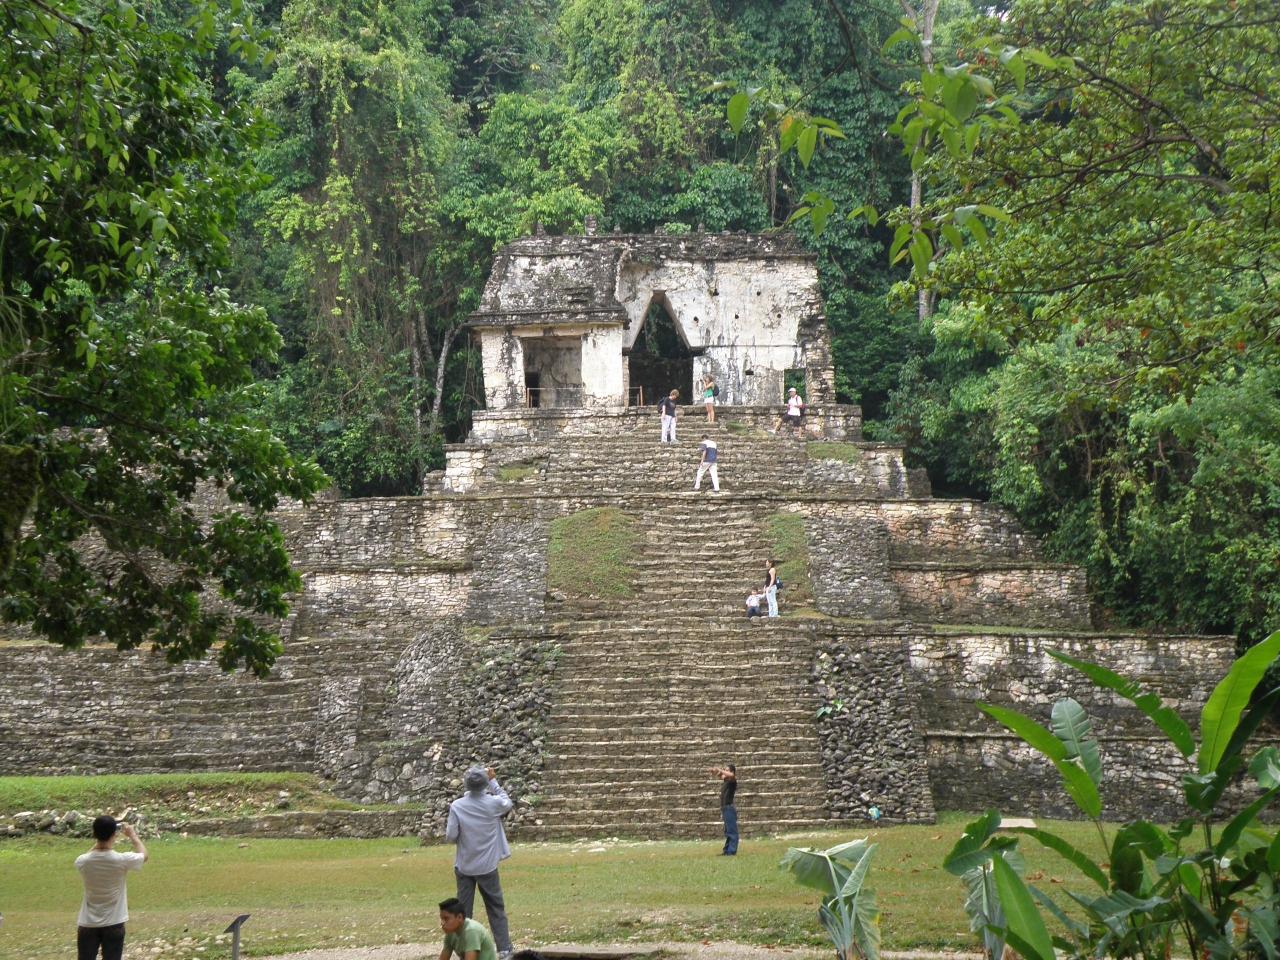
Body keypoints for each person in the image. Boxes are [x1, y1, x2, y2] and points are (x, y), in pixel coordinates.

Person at [446, 766, 514, 959]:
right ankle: (504, 949)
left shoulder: (457, 806)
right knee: (495, 907)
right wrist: (494, 781)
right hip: (487, 866)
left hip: (465, 865)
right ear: (484, 783)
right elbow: (507, 802)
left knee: (464, 911)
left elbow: (451, 836)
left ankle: (465, 950)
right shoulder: (493, 804)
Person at [75, 815, 148, 960]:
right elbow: (144, 855)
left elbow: (87, 855)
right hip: (114, 922)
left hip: (87, 923)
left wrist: (99, 842)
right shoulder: (121, 860)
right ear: (114, 834)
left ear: (94, 834)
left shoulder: (82, 861)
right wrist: (133, 835)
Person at [711, 764, 738, 855]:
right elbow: (721, 775)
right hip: (725, 808)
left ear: (732, 771)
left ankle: (731, 851)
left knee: (732, 831)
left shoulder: (733, 780)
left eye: (727, 770)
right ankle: (727, 851)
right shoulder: (726, 780)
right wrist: (715, 771)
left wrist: (720, 770)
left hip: (729, 808)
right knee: (728, 831)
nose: (724, 771)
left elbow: (731, 775)